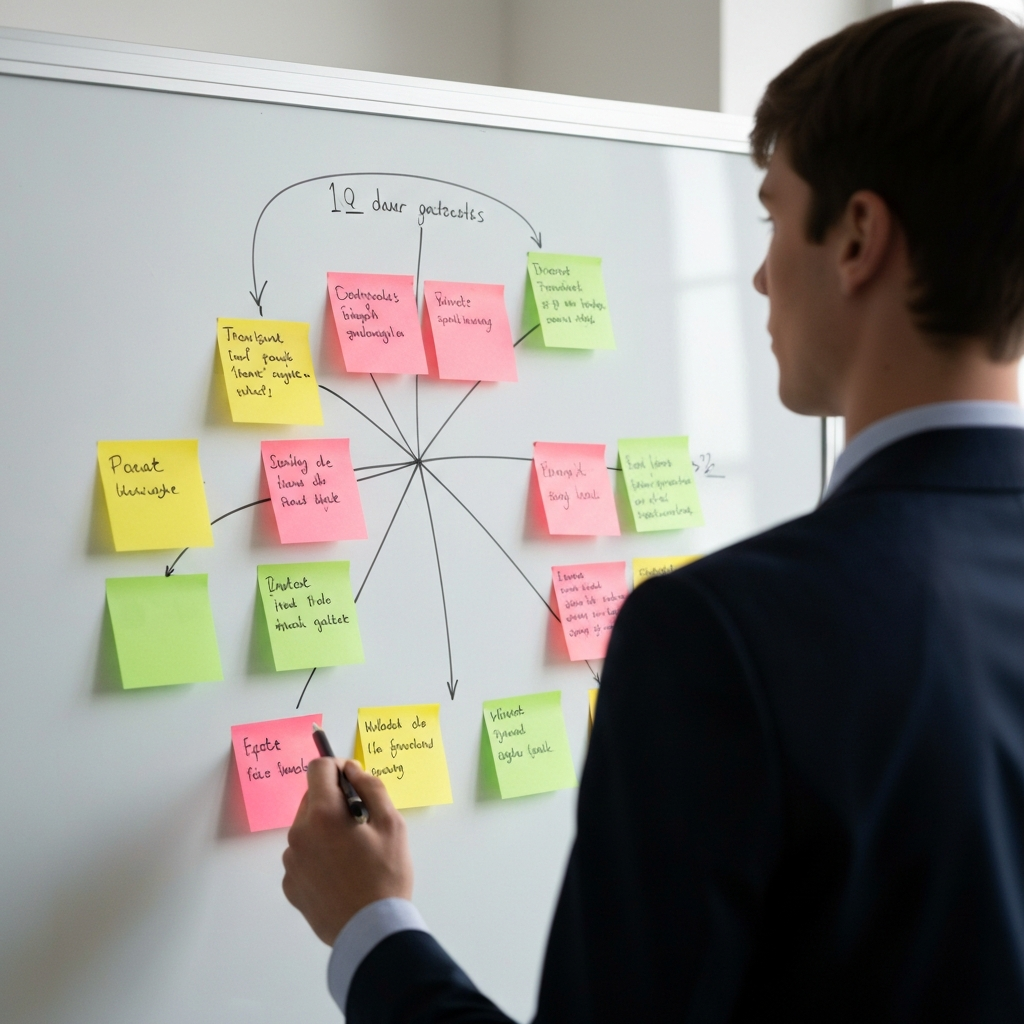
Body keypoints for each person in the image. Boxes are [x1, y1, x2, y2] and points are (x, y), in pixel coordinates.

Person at [282, 4, 1024, 1020]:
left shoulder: (720, 636)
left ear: (856, 236)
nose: (759, 274)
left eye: (771, 215)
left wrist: (369, 924)